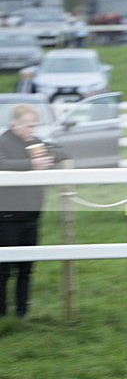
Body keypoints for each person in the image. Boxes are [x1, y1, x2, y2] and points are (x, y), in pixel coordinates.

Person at [0, 105, 60, 318]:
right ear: (14, 123)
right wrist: (31, 163)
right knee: (3, 270)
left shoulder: (35, 143)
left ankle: (22, 313)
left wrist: (49, 158)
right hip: (7, 216)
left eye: (34, 125)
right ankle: (2, 314)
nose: (32, 130)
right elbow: (2, 164)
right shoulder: (3, 142)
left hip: (32, 215)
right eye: (28, 126)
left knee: (27, 269)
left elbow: (61, 152)